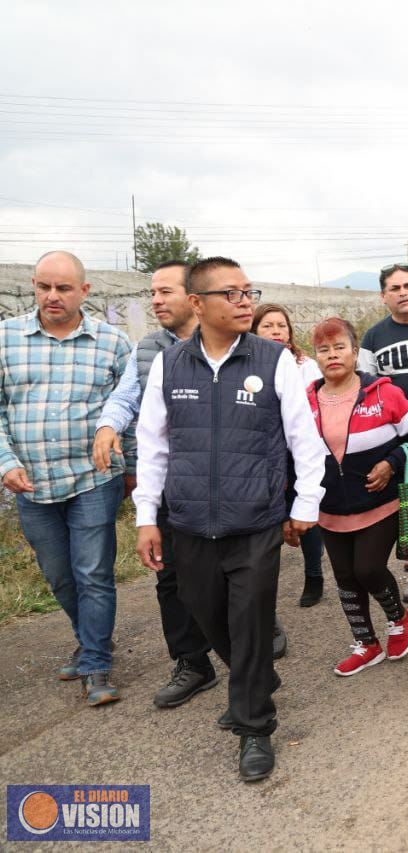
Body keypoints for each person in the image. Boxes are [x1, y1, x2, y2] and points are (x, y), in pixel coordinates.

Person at [134, 256, 328, 782]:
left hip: (256, 520)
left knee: (249, 621)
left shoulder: (274, 360)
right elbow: (152, 445)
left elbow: (303, 438)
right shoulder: (169, 365)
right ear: (198, 304)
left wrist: (305, 504)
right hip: (189, 521)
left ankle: (254, 725)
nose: (245, 302)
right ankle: (256, 680)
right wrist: (146, 518)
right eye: (232, 294)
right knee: (205, 611)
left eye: (249, 292)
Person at [0, 250, 132, 706]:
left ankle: (96, 664)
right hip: (31, 483)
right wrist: (5, 462)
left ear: (84, 291)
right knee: (59, 576)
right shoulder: (5, 338)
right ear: (34, 286)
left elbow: (127, 409)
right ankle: (91, 639)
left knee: (93, 573)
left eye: (63, 288)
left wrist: (131, 470)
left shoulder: (113, 343)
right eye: (43, 286)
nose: (51, 296)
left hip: (93, 478)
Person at [93, 260, 219, 709]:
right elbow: (127, 395)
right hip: (167, 484)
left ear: (195, 297)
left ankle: (249, 642)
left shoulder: (226, 343)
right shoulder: (147, 348)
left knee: (228, 572)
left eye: (165, 291)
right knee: (171, 579)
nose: (155, 300)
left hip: (222, 485)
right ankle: (193, 663)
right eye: (152, 292)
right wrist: (109, 426)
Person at [307, 317, 408, 676]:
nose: (332, 355)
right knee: (344, 577)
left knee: (367, 568)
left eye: (340, 347)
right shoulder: (304, 401)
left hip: (379, 502)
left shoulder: (385, 393)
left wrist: (391, 462)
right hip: (330, 509)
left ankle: (399, 619)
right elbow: (294, 452)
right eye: (324, 349)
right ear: (315, 356)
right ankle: (366, 644)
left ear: (355, 352)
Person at [358, 263, 408, 602]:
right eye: (395, 288)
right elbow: (365, 386)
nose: (403, 293)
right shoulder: (373, 337)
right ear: (384, 296)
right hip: (398, 435)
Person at [252, 304, 325, 610]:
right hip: (262, 454)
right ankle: (261, 589)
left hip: (299, 451)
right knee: (270, 520)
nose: (276, 331)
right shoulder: (248, 365)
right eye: (268, 326)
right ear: (254, 330)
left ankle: (314, 574)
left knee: (306, 513)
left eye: (282, 325)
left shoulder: (305, 365)